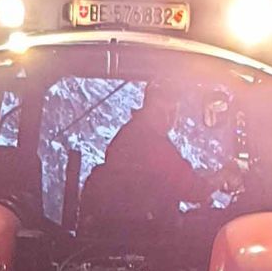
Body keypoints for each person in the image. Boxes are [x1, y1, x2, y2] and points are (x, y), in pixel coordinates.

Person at [76, 89, 208, 234]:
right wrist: (221, 177)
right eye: (159, 112)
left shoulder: (128, 133)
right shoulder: (151, 143)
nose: (167, 120)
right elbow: (192, 189)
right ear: (146, 110)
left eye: (172, 113)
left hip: (118, 233)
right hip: (148, 237)